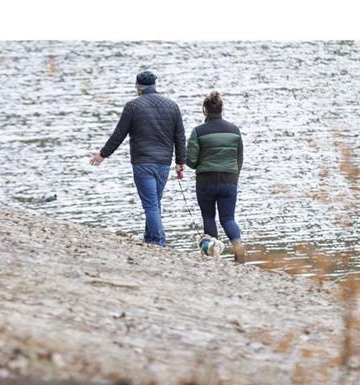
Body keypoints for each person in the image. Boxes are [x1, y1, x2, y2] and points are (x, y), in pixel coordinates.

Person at [90, 71, 186, 247]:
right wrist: (180, 163)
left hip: (143, 163)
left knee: (151, 205)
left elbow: (119, 134)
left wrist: (103, 154)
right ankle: (150, 238)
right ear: (155, 85)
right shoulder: (172, 106)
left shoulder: (133, 106)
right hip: (163, 164)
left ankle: (158, 242)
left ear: (137, 87)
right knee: (154, 203)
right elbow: (179, 136)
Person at [185, 91, 246, 263]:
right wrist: (234, 176)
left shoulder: (198, 131)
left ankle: (213, 255)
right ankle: (238, 247)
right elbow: (239, 158)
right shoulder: (234, 131)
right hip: (229, 179)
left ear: (205, 110)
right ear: (222, 108)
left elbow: (190, 161)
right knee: (228, 218)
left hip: (206, 180)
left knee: (209, 216)